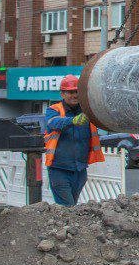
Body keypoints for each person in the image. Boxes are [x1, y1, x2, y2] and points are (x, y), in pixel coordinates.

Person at [42, 74, 104, 206]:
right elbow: (53, 123)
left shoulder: (87, 110)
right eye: (70, 92)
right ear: (62, 94)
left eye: (76, 92)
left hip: (80, 170)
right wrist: (72, 121)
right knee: (67, 206)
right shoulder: (54, 109)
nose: (74, 95)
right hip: (59, 169)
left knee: (72, 206)